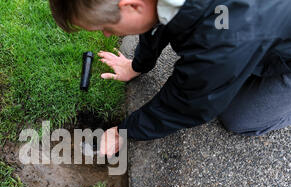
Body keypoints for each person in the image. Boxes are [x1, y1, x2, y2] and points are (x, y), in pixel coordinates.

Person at [48, 0, 291, 156]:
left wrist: (123, 131)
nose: (106, 33)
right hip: (262, 27)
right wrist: (138, 65)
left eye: (107, 26)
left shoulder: (222, 39)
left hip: (272, 44)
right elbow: (155, 20)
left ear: (131, 6)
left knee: (239, 117)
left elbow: (189, 104)